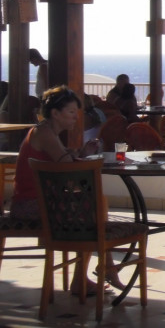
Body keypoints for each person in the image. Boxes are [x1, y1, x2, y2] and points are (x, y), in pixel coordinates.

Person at [9, 85, 123, 294]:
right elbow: (67, 167)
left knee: (97, 205)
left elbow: (64, 161)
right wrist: (80, 156)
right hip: (30, 205)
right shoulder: (45, 133)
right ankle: (95, 272)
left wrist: (80, 153)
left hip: (39, 201)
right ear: (55, 113)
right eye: (71, 112)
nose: (75, 117)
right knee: (94, 209)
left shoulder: (46, 132)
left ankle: (101, 268)